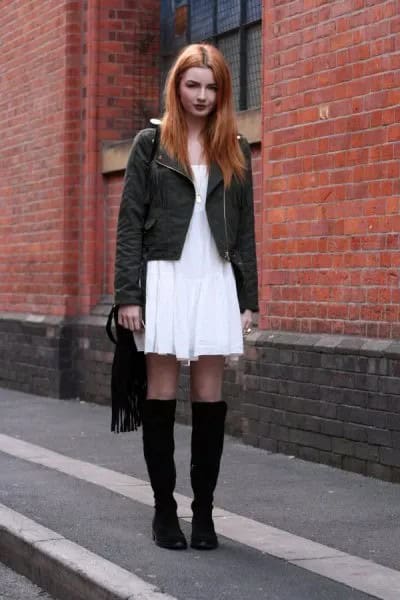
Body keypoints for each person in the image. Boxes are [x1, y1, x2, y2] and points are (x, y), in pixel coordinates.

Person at [114, 43, 259, 551]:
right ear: (177, 87)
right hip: (165, 279)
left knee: (209, 399)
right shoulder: (149, 145)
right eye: (192, 84)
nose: (201, 95)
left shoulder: (235, 149)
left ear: (223, 92)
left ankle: (203, 514)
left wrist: (248, 300)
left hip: (214, 278)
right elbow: (129, 223)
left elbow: (244, 233)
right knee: (159, 394)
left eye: (211, 86)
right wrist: (128, 295)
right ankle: (163, 511)